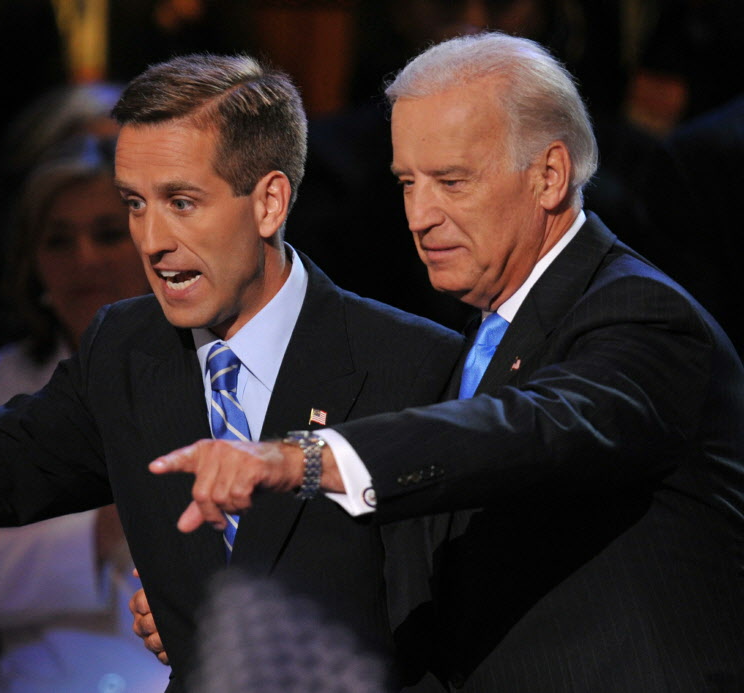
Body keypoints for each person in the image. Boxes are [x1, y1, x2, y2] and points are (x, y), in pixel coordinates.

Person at [0, 54, 464, 691]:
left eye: (181, 202)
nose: (151, 241)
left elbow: (450, 616)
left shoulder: (409, 362)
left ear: (269, 202)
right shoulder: (126, 346)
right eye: (134, 204)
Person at [149, 34, 744, 691]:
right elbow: (430, 596)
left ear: (548, 175)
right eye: (407, 182)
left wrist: (305, 458)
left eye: (451, 182)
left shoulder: (640, 313)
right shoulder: (473, 349)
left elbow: (532, 430)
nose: (420, 216)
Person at [0, 150, 169, 692]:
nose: (84, 259)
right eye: (58, 240)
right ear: (32, 264)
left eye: (107, 234)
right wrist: (105, 525)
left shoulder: (226, 369)